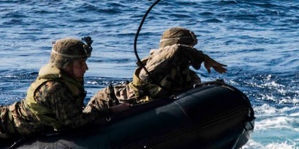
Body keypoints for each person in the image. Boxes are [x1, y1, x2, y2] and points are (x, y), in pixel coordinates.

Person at [86, 27, 226, 113]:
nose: (191, 52)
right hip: (108, 100)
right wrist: (203, 58)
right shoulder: (154, 67)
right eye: (189, 48)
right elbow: (175, 50)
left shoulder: (188, 75)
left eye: (192, 48)